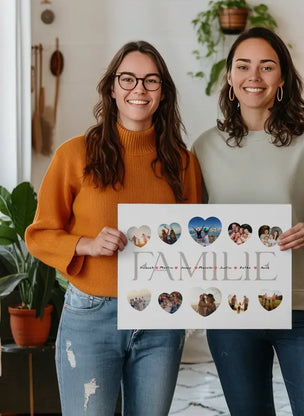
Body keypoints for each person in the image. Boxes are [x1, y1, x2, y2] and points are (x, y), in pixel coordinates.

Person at [26, 40, 201, 416]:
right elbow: (39, 235)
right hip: (92, 316)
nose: (139, 89)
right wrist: (86, 244)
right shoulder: (74, 154)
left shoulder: (183, 163)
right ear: (111, 88)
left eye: (151, 81)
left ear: (163, 93)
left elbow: (196, 245)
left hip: (161, 318)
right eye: (128, 79)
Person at [192, 27, 304, 416]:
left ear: (282, 79)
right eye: (243, 66)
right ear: (229, 78)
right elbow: (190, 227)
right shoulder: (204, 148)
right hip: (232, 314)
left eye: (267, 67)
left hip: (303, 313)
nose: (254, 77)